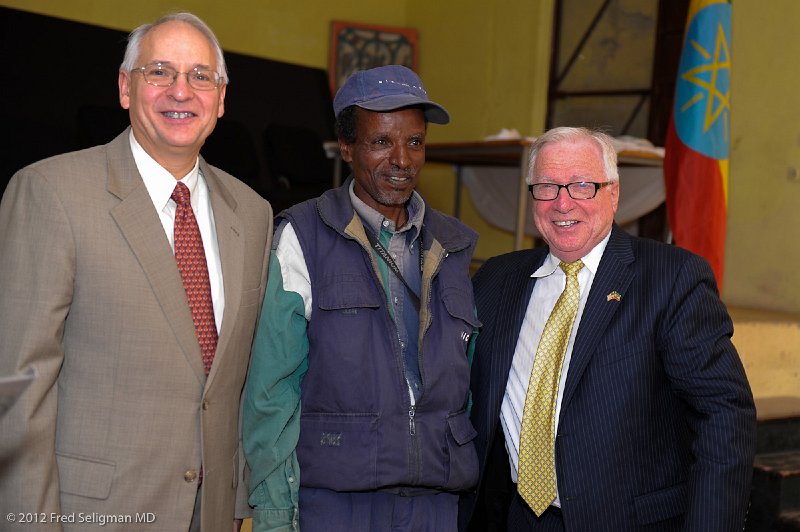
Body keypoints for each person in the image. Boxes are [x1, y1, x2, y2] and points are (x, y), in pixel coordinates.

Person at [0, 12, 272, 532]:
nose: (181, 91)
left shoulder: (253, 213)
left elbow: (234, 384)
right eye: (160, 72)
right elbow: (15, 387)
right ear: (125, 88)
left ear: (221, 99)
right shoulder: (51, 193)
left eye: (200, 76)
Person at [459, 127, 756, 531]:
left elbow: (723, 416)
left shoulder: (671, 280)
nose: (563, 203)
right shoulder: (496, 279)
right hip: (514, 518)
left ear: (613, 193)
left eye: (583, 185)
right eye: (547, 186)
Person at [243, 65, 481, 531]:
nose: (402, 159)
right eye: (381, 142)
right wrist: (272, 513)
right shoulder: (303, 237)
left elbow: (465, 384)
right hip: (335, 499)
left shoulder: (453, 246)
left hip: (435, 502)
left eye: (414, 142)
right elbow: (271, 391)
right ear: (347, 147)